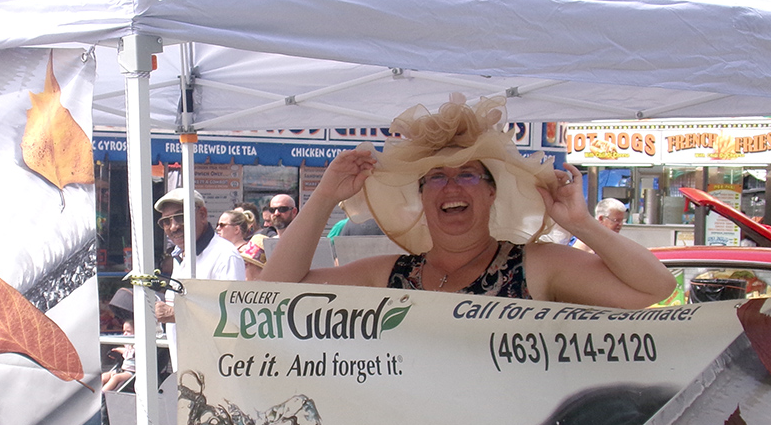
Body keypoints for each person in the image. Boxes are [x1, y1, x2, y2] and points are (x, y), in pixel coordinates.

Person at [260, 95, 675, 309]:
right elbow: (275, 292)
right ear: (422, 196)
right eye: (436, 177)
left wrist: (583, 225)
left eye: (467, 174)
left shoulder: (536, 266)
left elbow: (655, 288)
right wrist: (324, 198)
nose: (451, 186)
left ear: (492, 191)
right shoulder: (388, 274)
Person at [154, 188, 245, 367]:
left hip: (216, 368)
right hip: (186, 368)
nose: (173, 227)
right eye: (166, 221)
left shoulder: (224, 256)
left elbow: (232, 315)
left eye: (180, 217)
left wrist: (176, 314)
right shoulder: (180, 256)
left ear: (202, 214)